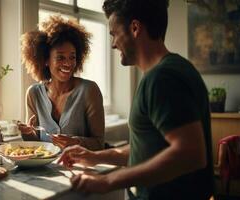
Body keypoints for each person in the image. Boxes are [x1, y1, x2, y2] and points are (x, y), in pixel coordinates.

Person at [58, 0, 214, 199]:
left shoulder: (162, 78)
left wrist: (108, 181)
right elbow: (149, 148)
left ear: (134, 28)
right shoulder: (173, 69)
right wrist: (94, 157)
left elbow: (191, 154)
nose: (113, 44)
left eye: (114, 34)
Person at [18, 15, 105, 150]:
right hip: (45, 169)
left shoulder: (89, 90)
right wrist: (28, 134)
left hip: (80, 168)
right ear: (45, 60)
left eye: (72, 57)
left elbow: (99, 144)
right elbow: (35, 143)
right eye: (60, 57)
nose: (68, 63)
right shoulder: (33, 93)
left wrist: (75, 142)